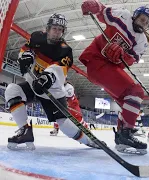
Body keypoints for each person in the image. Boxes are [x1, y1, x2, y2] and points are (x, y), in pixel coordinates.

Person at [5, 13, 100, 150]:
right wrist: (25, 56)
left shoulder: (65, 50)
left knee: (64, 123)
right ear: (48, 28)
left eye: (60, 29)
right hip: (33, 85)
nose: (57, 32)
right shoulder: (37, 37)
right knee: (12, 90)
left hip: (52, 91)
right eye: (54, 28)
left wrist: (48, 77)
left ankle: (88, 141)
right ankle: (25, 131)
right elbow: (26, 49)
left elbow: (59, 69)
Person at [79, 0, 149, 155]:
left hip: (110, 68)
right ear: (135, 16)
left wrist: (122, 55)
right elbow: (103, 12)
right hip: (96, 60)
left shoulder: (142, 41)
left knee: (129, 103)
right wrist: (95, 6)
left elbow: (131, 60)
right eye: (142, 18)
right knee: (136, 92)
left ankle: (122, 136)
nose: (143, 22)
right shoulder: (123, 16)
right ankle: (126, 133)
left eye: (146, 22)